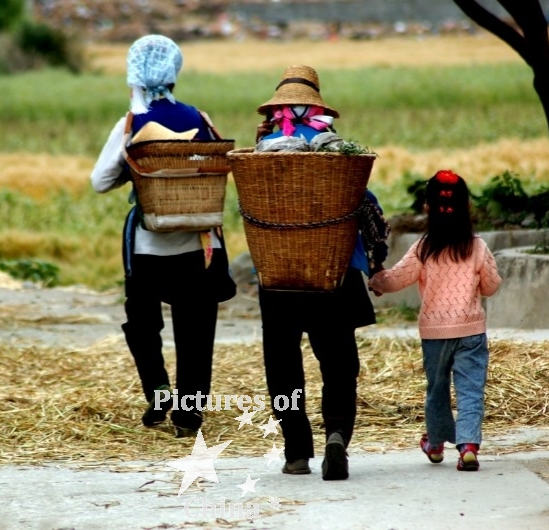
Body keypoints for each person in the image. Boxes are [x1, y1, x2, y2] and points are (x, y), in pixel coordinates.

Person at [90, 34, 236, 438]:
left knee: (142, 324)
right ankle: (188, 417)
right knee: (196, 331)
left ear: (134, 75)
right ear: (174, 74)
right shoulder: (202, 120)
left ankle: (158, 393)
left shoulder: (131, 125)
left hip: (149, 249)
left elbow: (100, 181)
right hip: (199, 246)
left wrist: (132, 169)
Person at [253, 65, 390, 480]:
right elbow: (370, 212)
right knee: (338, 364)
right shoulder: (339, 153)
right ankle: (336, 435)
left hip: (279, 277)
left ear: (276, 110)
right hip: (335, 274)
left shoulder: (262, 158)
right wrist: (376, 259)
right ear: (318, 107)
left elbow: (253, 214)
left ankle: (296, 450)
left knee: (283, 367)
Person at [368, 169, 502, 471]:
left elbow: (395, 280)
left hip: (434, 333)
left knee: (437, 387)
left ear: (427, 207)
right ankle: (467, 445)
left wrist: (375, 280)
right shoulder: (477, 246)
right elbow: (492, 286)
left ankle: (437, 443)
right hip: (471, 331)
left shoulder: (423, 248)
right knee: (470, 390)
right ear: (467, 207)